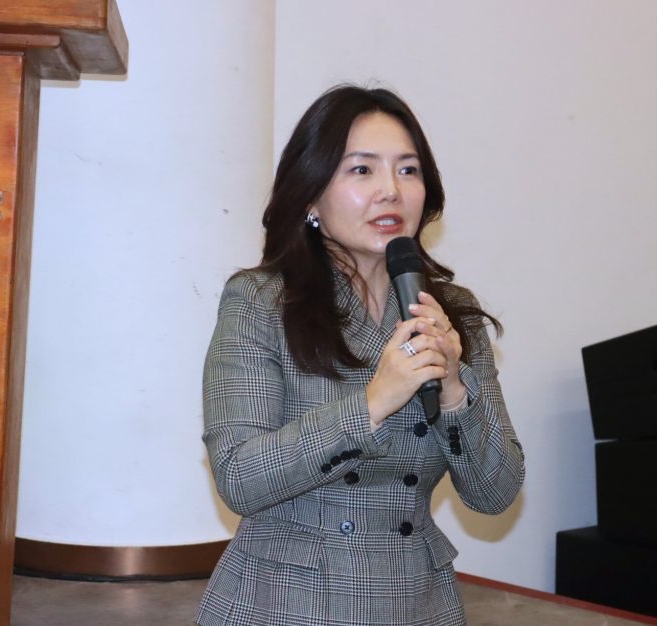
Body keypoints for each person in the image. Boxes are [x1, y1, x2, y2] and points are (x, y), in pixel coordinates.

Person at [196, 85, 524, 626]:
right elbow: (239, 477)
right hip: (284, 602)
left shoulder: (452, 315)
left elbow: (495, 493)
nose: (390, 191)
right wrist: (373, 402)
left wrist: (453, 388)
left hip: (416, 602)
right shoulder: (261, 303)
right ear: (310, 196)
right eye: (362, 170)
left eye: (408, 170)